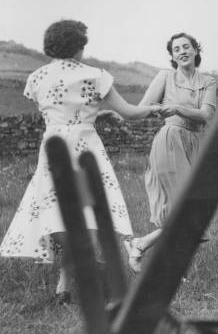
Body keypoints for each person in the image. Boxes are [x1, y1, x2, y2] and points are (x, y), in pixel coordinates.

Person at [0, 20, 166, 303]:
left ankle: (64, 285)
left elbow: (57, 111)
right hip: (85, 147)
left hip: (53, 149)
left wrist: (83, 115)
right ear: (79, 45)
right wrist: (157, 108)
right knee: (87, 212)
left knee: (61, 213)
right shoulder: (95, 75)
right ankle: (79, 279)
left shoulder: (38, 77)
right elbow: (130, 113)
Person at [124, 32, 217, 272]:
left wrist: (176, 107)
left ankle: (141, 244)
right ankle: (176, 268)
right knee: (185, 208)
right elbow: (142, 108)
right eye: (176, 49)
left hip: (195, 143)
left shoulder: (208, 81)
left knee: (193, 209)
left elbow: (206, 115)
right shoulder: (165, 77)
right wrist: (120, 113)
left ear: (196, 50)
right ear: (172, 56)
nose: (182, 52)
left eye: (187, 47)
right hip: (170, 141)